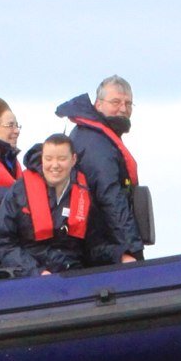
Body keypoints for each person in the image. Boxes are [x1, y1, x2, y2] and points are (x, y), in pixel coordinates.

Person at [0, 134, 125, 276]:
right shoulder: (19, 191)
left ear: (73, 160)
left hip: (71, 274)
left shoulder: (84, 193)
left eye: (61, 159)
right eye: (48, 159)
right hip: (28, 277)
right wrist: (36, 272)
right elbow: (1, 241)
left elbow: (93, 246)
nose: (54, 165)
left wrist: (120, 255)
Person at [54, 75, 143, 261]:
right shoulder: (95, 142)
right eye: (116, 102)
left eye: (128, 104)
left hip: (97, 243)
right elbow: (110, 197)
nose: (123, 109)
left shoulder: (93, 136)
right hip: (97, 248)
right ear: (98, 104)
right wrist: (133, 249)